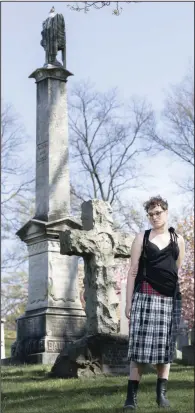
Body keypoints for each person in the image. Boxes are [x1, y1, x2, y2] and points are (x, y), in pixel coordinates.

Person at [123, 196, 185, 410]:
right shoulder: (142, 237)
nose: (154, 217)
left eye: (158, 212)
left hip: (170, 301)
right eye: (150, 214)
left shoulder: (179, 240)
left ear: (166, 212)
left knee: (165, 350)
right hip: (144, 297)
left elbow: (176, 269)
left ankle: (162, 395)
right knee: (138, 350)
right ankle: (131, 398)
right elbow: (132, 272)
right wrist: (128, 302)